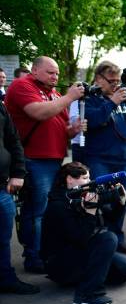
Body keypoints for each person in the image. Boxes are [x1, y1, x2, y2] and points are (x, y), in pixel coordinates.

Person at [4, 56, 84, 273]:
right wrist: (69, 97)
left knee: (45, 209)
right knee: (37, 211)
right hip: (34, 159)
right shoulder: (23, 85)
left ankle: (42, 252)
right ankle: (34, 256)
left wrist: (73, 130)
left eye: (57, 73)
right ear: (35, 70)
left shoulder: (53, 93)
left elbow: (60, 125)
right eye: (50, 72)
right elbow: (38, 112)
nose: (55, 76)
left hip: (53, 158)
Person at [41, 162, 126, 304]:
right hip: (60, 264)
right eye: (85, 178)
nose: (89, 181)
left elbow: (110, 220)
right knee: (108, 239)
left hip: (80, 254)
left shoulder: (85, 195)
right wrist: (90, 213)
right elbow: (80, 237)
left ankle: (89, 278)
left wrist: (120, 203)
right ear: (69, 179)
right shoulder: (58, 205)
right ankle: (86, 295)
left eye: (89, 177)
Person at [84, 60, 126, 254]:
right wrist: (112, 102)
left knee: (121, 201)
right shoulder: (90, 97)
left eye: (118, 81)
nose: (116, 85)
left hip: (123, 160)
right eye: (112, 80)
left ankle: (116, 238)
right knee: (104, 201)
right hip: (100, 159)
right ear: (99, 79)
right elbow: (93, 120)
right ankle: (99, 238)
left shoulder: (121, 98)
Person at [0, 102, 38, 294]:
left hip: (2, 188)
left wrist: (18, 173)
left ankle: (5, 278)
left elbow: (13, 140)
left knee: (3, 238)